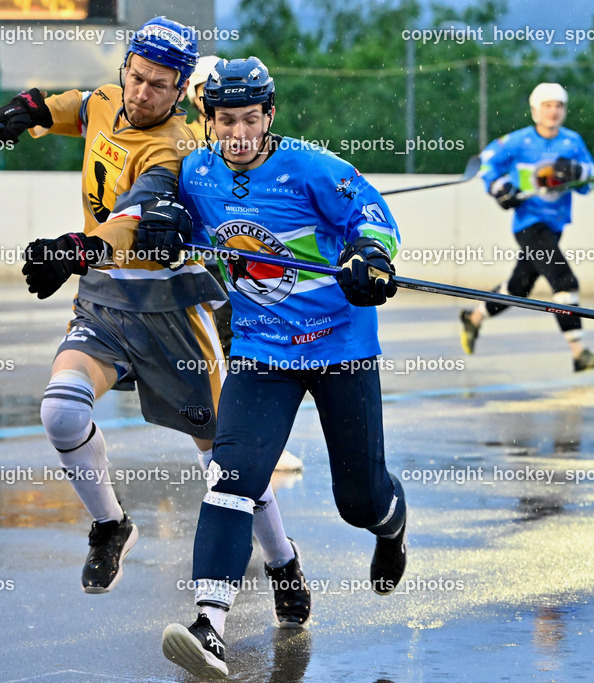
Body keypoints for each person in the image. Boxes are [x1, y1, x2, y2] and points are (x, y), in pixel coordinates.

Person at [0, 17, 309, 623]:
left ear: (180, 87)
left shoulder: (178, 149)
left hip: (170, 318)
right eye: (135, 77)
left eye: (159, 85)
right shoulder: (111, 99)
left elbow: (134, 219)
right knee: (60, 410)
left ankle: (283, 560)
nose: (141, 94)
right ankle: (111, 525)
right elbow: (81, 107)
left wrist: (75, 249)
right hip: (105, 303)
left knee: (227, 462)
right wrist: (31, 109)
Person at [145, 57, 408, 679]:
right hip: (263, 352)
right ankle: (211, 624)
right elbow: (157, 203)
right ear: (207, 120)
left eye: (250, 119)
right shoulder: (196, 171)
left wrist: (371, 256)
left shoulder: (312, 168)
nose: (238, 132)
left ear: (269, 116)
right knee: (229, 478)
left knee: (359, 501)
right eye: (225, 120)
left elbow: (373, 217)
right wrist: (165, 223)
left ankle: (392, 527)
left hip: (339, 345)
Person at [184, 54, 305, 473]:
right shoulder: (188, 142)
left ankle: (255, 444)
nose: (206, 101)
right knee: (224, 354)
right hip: (207, 273)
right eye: (201, 94)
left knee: (245, 353)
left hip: (241, 271)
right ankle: (236, 444)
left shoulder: (245, 135)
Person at [460, 82, 594, 372]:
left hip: (554, 225)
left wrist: (580, 173)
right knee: (564, 281)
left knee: (518, 288)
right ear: (534, 111)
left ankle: (474, 317)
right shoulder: (518, 141)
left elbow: (591, 181)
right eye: (547, 106)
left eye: (559, 106)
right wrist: (499, 186)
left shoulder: (572, 142)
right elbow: (486, 163)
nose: (554, 111)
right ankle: (579, 352)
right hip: (529, 224)